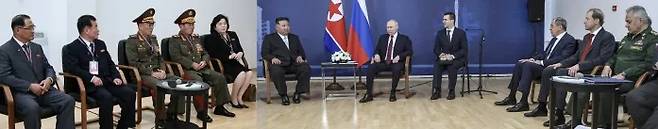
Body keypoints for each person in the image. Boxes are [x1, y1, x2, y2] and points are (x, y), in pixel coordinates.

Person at [528, 8, 616, 128]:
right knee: (553, 70)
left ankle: (571, 119)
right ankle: (557, 112)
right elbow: (576, 56)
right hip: (579, 69)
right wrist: (561, 63)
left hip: (592, 71)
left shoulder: (607, 37)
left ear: (596, 20)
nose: (584, 21)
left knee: (560, 74)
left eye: (587, 19)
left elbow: (601, 59)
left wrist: (579, 66)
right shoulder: (586, 37)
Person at [0, 14, 75, 129]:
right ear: (18, 30)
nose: (33, 31)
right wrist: (29, 86)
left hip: (44, 90)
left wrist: (49, 80)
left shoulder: (37, 47)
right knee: (32, 107)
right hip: (21, 93)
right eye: (30, 27)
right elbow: (4, 76)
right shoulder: (5, 50)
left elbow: (48, 67)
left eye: (33, 27)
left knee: (68, 100)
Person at [62, 15, 136, 129]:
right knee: (106, 97)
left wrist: (116, 77)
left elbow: (110, 63)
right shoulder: (71, 48)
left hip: (106, 80)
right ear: (87, 30)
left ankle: (124, 126)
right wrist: (91, 78)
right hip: (88, 84)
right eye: (95, 26)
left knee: (129, 93)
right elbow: (74, 69)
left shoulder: (100, 44)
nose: (98, 30)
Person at [494, 17, 577, 112]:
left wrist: (541, 62)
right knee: (521, 63)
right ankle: (511, 96)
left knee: (528, 65)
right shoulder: (554, 40)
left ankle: (523, 101)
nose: (550, 29)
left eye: (552, 26)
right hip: (544, 66)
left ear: (560, 27)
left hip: (553, 68)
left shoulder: (569, 40)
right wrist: (533, 59)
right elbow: (545, 54)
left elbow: (562, 58)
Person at [123, 8, 188, 128]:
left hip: (158, 72)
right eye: (149, 24)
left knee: (179, 82)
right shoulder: (131, 41)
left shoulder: (153, 39)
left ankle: (172, 113)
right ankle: (161, 119)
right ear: (140, 25)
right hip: (142, 74)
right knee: (159, 86)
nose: (151, 27)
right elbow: (133, 64)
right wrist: (152, 73)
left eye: (153, 24)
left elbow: (160, 58)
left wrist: (163, 70)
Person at [167, 9, 234, 122]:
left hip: (202, 68)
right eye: (189, 24)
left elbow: (205, 53)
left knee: (219, 77)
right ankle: (201, 112)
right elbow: (176, 57)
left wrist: (204, 61)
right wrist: (192, 64)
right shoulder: (174, 40)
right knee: (199, 82)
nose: (192, 27)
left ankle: (220, 107)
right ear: (181, 26)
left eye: (193, 24)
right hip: (186, 70)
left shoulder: (196, 38)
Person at [203, 14, 254, 109]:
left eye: (225, 23)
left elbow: (239, 48)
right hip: (221, 64)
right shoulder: (211, 38)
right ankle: (233, 99)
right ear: (215, 26)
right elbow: (213, 55)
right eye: (220, 24)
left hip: (234, 63)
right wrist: (229, 56)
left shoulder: (232, 34)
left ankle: (239, 97)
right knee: (242, 73)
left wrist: (240, 53)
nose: (223, 26)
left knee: (250, 73)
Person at [359, 19, 413, 103]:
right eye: (387, 27)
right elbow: (377, 50)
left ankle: (393, 92)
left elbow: (410, 51)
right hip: (384, 62)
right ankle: (369, 94)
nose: (389, 29)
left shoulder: (404, 38)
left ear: (397, 27)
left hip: (396, 63)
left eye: (391, 27)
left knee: (397, 68)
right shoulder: (383, 38)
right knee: (371, 67)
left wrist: (399, 56)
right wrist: (376, 54)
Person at [621, 5, 658, 129]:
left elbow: (647, 64)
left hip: (635, 77)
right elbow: (615, 56)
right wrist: (607, 65)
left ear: (640, 20)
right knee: (634, 97)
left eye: (628, 21)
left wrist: (625, 73)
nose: (626, 25)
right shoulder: (627, 38)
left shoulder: (652, 38)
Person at [261, 17, 311, 105]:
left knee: (305, 67)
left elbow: (302, 53)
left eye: (288, 25)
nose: (286, 27)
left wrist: (300, 57)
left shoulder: (294, 38)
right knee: (276, 71)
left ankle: (298, 93)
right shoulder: (269, 38)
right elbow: (264, 53)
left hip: (293, 64)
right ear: (277, 27)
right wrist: (272, 58)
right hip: (279, 64)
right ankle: (283, 95)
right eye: (283, 26)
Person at [431, 12, 468, 100]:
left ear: (452, 20)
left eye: (445, 20)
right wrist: (440, 54)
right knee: (437, 65)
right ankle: (437, 91)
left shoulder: (461, 33)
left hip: (457, 59)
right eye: (443, 19)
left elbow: (464, 50)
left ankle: (451, 91)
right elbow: (436, 49)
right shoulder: (440, 33)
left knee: (452, 66)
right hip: (444, 59)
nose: (443, 21)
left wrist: (452, 56)